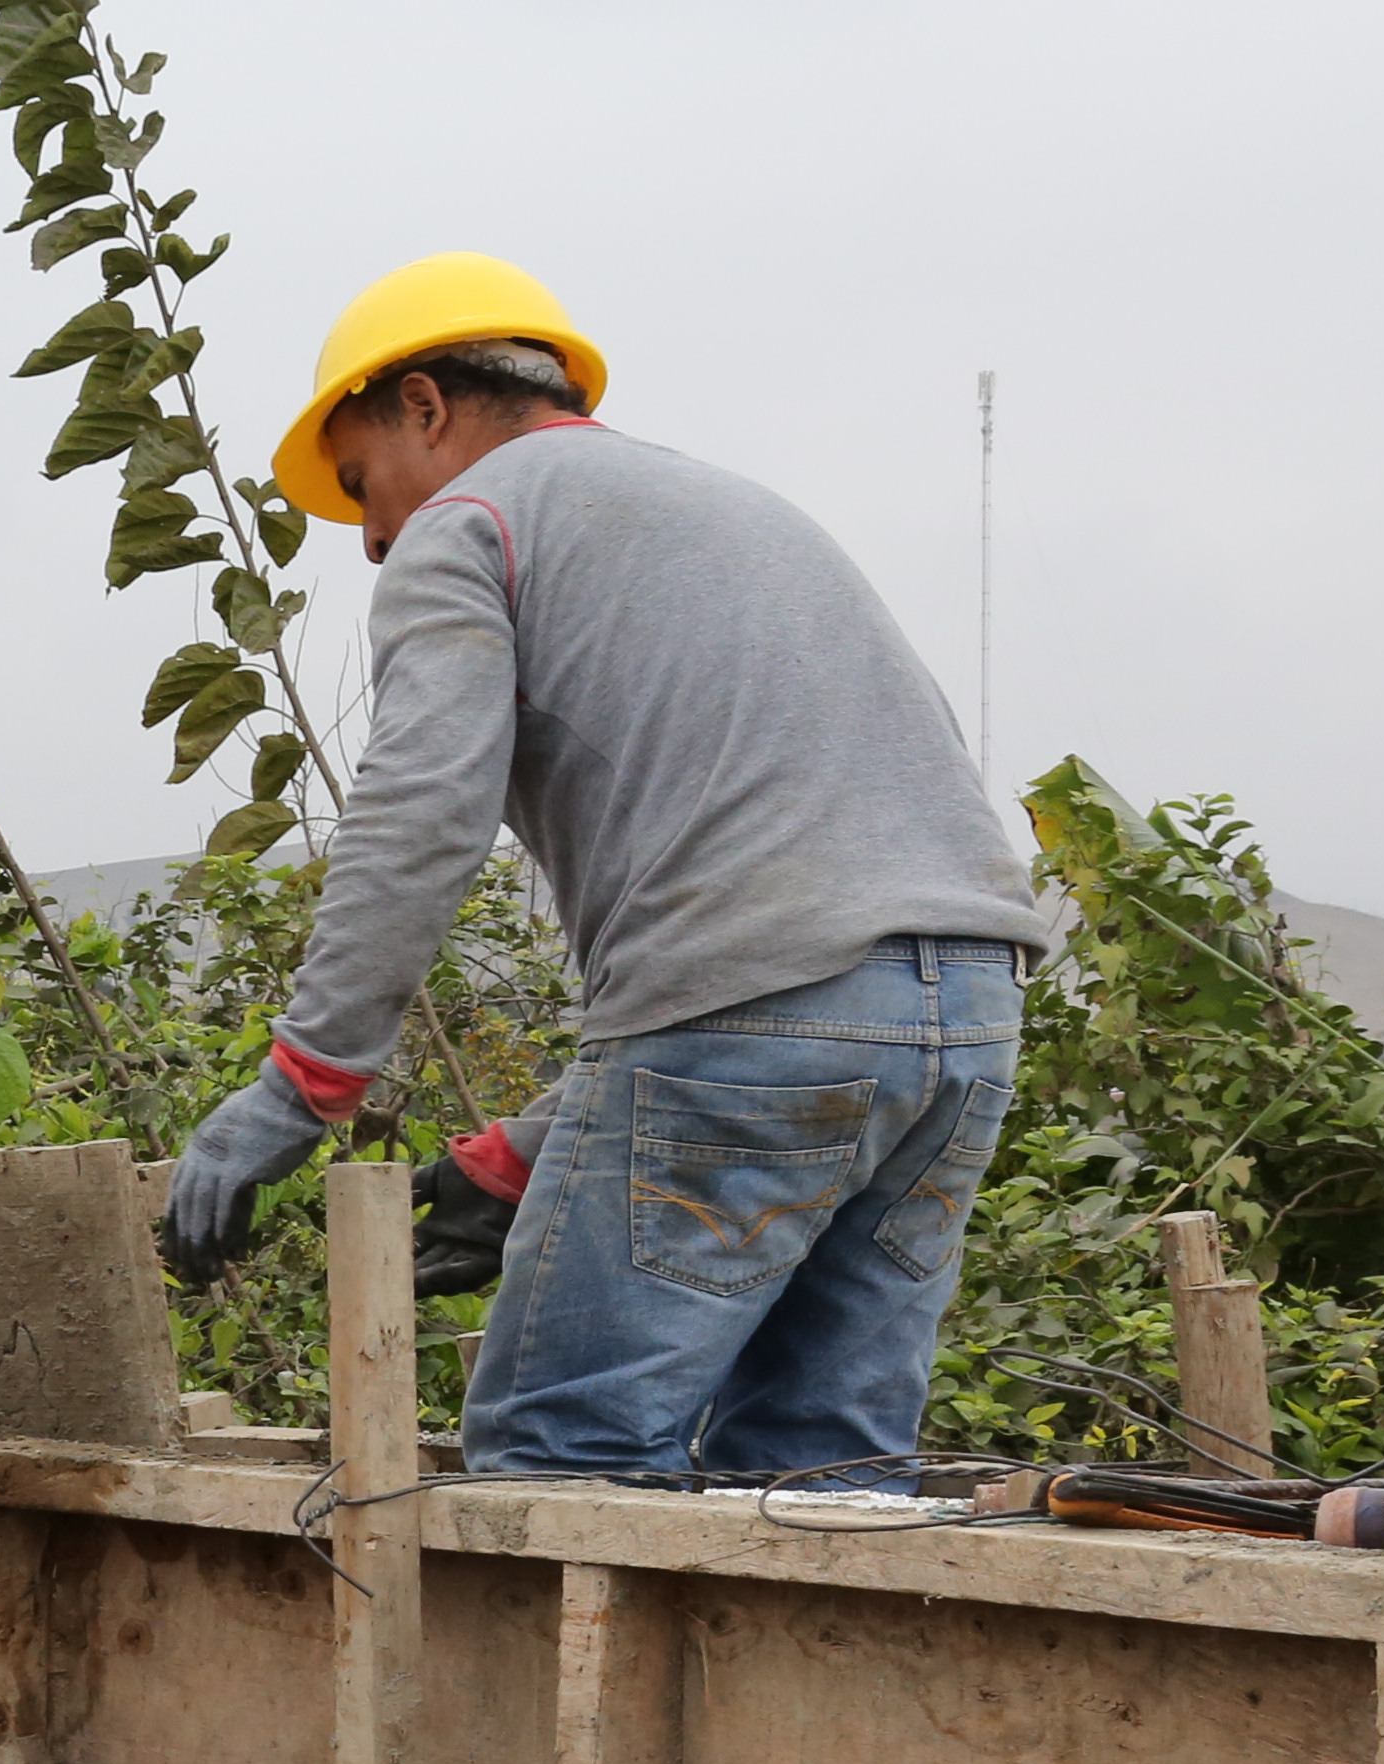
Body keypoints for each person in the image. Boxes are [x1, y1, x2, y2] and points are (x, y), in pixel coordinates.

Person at [160, 255, 1052, 1482]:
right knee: (819, 1475)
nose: (371, 539)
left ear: (424, 404)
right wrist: (537, 1144)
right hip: (972, 1032)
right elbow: (829, 927)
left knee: (560, 1453)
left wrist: (300, 1088)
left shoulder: (471, 524)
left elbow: (421, 814)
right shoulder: (742, 513)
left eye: (363, 486)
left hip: (753, 1021)